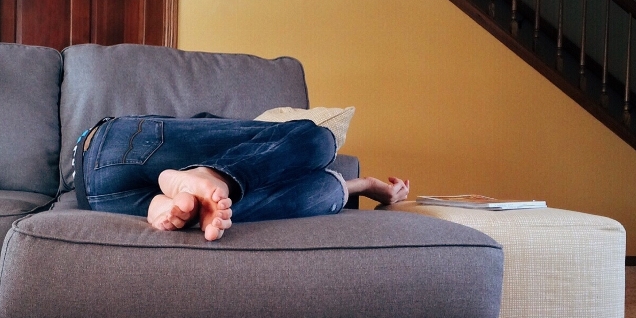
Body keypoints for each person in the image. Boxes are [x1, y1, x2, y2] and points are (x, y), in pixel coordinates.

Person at [73, 115, 409, 241]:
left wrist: (364, 185)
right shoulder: (266, 143)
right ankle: (205, 177)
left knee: (324, 190)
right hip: (114, 146)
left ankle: (177, 200)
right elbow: (301, 141)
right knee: (318, 140)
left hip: (97, 192)